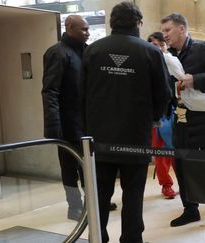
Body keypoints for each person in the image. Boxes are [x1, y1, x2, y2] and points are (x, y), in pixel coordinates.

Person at [82, 2, 172, 243]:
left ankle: (98, 238)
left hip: (99, 137)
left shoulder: (93, 51)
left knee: (100, 194)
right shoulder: (150, 52)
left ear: (112, 22)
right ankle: (132, 239)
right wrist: (155, 118)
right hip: (136, 135)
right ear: (138, 23)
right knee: (134, 193)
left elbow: (80, 92)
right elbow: (163, 92)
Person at [160, 13, 205, 228]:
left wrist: (196, 80)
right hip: (183, 123)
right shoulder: (168, 56)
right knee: (183, 169)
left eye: (168, 30)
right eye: (163, 31)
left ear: (182, 29)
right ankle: (190, 210)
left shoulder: (204, 49)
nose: (165, 35)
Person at [41, 15, 116, 221]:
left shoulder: (86, 51)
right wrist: (53, 124)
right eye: (83, 29)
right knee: (69, 166)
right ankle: (74, 207)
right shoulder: (57, 52)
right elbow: (50, 91)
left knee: (90, 163)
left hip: (87, 121)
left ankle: (93, 201)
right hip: (67, 122)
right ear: (69, 27)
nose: (88, 32)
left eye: (88, 29)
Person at [147, 32, 177, 199]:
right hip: (155, 117)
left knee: (176, 152)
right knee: (160, 153)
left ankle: (186, 185)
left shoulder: (174, 62)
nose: (158, 48)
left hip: (174, 114)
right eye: (154, 45)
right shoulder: (145, 66)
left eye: (161, 44)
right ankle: (166, 185)